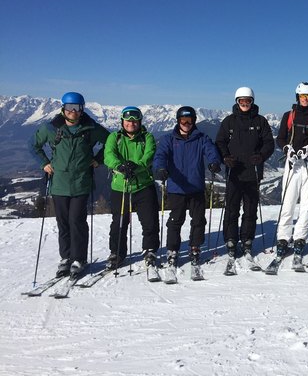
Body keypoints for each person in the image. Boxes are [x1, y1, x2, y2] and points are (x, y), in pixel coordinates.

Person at [30, 92, 110, 277]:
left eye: (77, 108)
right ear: (63, 109)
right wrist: (44, 163)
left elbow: (111, 142)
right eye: (69, 108)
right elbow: (33, 145)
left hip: (81, 183)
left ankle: (79, 258)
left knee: (76, 221)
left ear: (82, 109)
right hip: (59, 184)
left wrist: (99, 159)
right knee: (63, 222)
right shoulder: (51, 129)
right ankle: (65, 258)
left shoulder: (90, 128)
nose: (73, 112)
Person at [153, 106, 222, 267]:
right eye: (183, 120)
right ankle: (172, 250)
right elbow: (160, 155)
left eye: (189, 121)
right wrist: (161, 168)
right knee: (175, 221)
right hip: (177, 188)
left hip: (195, 187)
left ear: (194, 121)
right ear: (178, 121)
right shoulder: (168, 139)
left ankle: (195, 247)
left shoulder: (201, 138)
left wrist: (214, 162)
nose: (186, 124)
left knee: (198, 220)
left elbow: (211, 151)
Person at [215, 87, 275, 258]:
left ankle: (247, 240)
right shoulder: (229, 122)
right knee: (232, 209)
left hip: (253, 172)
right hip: (234, 171)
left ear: (252, 101)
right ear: (237, 102)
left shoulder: (260, 121)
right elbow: (220, 142)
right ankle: (231, 240)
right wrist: (225, 157)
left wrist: (262, 156)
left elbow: (269, 143)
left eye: (247, 101)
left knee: (250, 210)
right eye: (241, 101)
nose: (245, 104)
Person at [103, 106, 160, 270]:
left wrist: (135, 167)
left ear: (140, 122)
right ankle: (117, 253)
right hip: (121, 187)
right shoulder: (114, 137)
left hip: (143, 186)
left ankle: (150, 250)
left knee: (150, 221)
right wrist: (119, 166)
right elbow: (108, 155)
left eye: (135, 120)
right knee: (119, 223)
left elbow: (149, 155)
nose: (131, 123)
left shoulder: (147, 137)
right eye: (128, 120)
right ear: (122, 122)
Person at [275, 82, 308, 257]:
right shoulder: (289, 116)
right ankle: (283, 238)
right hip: (293, 164)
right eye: (302, 96)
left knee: (307, 204)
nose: (305, 99)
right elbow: (280, 138)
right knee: (287, 202)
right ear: (297, 97)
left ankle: (300, 238)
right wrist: (286, 149)